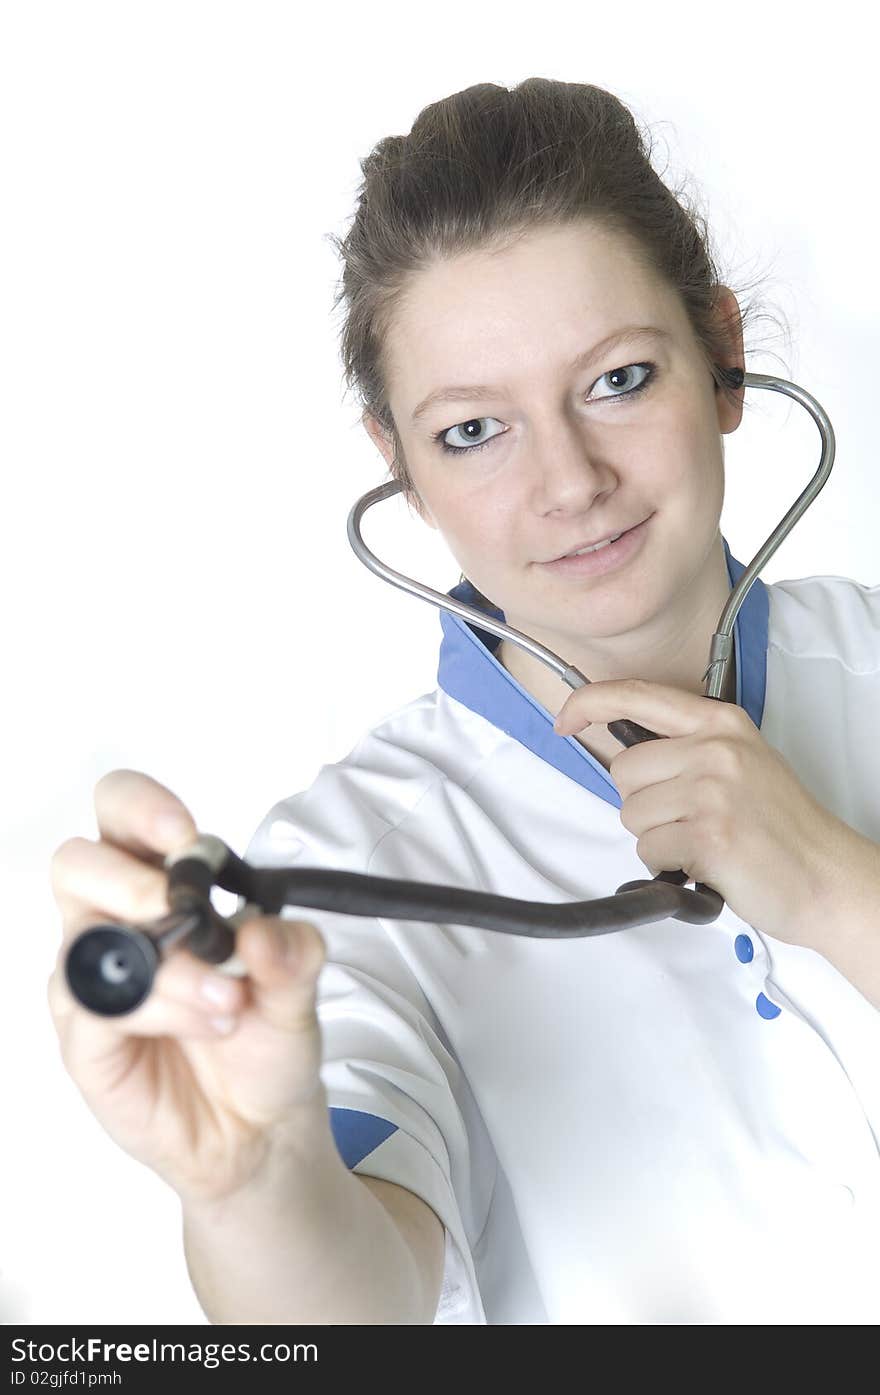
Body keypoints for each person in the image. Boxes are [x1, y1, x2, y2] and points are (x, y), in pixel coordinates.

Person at [48, 79, 880, 1326]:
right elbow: (351, 1309)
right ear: (400, 465)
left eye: (618, 379)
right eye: (476, 429)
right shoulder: (341, 871)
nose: (570, 482)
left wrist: (833, 888)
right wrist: (251, 1182)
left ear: (723, 361)